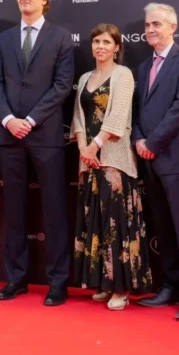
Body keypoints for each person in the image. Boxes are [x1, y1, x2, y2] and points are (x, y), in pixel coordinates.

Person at [0, 0, 74, 306]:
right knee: (14, 211)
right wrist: (9, 120)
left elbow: (62, 85)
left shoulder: (61, 36)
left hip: (45, 134)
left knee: (54, 210)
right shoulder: (5, 38)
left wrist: (32, 119)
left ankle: (58, 282)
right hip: (9, 134)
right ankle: (16, 278)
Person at [132, 2, 179, 321]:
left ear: (173, 27)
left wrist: (153, 143)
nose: (150, 29)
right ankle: (170, 286)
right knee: (162, 227)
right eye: (147, 24)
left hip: (177, 158)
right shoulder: (142, 66)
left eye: (157, 24)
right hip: (149, 159)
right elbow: (139, 110)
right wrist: (139, 139)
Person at [71, 23, 152, 311]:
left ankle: (121, 288)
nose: (100, 47)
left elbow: (119, 117)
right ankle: (104, 283)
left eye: (106, 42)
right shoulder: (84, 78)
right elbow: (78, 117)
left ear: (117, 47)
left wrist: (95, 146)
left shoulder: (123, 74)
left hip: (114, 159)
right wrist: (84, 149)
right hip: (89, 162)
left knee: (116, 224)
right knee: (96, 221)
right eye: (96, 42)